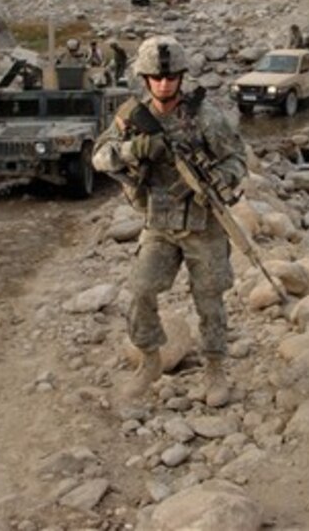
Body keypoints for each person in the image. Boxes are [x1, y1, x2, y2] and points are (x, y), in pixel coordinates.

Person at [92, 35, 247, 407]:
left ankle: (214, 368)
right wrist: (135, 149)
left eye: (171, 77)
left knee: (209, 300)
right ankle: (149, 360)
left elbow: (237, 158)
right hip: (159, 222)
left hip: (203, 224)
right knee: (142, 290)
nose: (164, 84)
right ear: (145, 80)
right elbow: (99, 157)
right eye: (156, 78)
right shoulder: (131, 119)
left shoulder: (205, 118)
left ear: (180, 77)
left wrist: (221, 180)